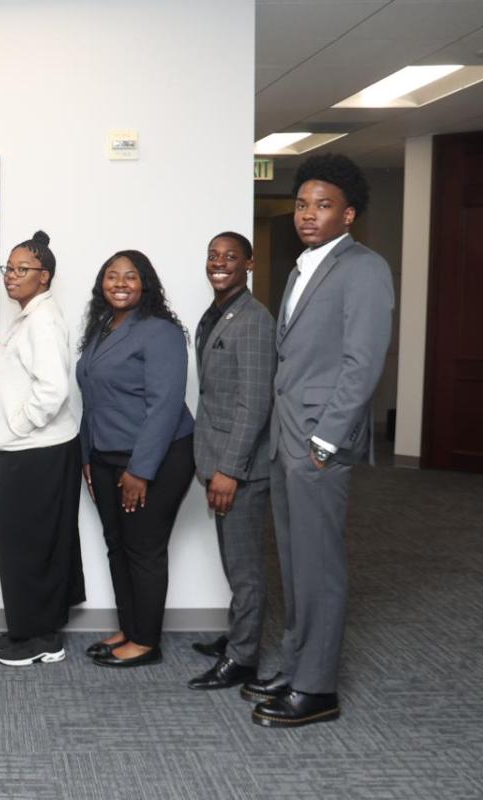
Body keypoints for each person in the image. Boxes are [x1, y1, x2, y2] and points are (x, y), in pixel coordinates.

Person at [244, 154, 394, 728]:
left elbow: (362, 363)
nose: (308, 214)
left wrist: (327, 439)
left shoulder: (364, 268)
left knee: (320, 566)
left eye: (323, 205)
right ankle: (297, 666)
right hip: (287, 439)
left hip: (316, 444)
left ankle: (318, 689)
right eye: (303, 205)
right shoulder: (304, 265)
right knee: (294, 563)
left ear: (348, 214)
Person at [77, 250, 194, 668]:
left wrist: (140, 471)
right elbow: (91, 400)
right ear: (101, 284)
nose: (120, 283)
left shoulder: (160, 331)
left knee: (143, 548)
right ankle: (129, 627)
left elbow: (165, 405)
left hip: (155, 457)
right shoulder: (103, 327)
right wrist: (88, 458)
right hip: (105, 456)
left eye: (130, 276)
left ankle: (145, 641)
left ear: (145, 283)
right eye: (111, 276)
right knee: (117, 545)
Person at [0, 231, 84, 667]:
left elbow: (53, 390)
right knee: (22, 542)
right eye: (8, 268)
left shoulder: (42, 320)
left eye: (22, 269)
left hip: (36, 451)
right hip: (26, 451)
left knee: (30, 544)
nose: (11, 276)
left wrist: (17, 426)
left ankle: (43, 638)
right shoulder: (29, 316)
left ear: (45, 277)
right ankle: (27, 627)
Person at [187, 232, 275, 691]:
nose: (219, 263)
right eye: (213, 256)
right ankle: (237, 638)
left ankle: (243, 658)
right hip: (217, 457)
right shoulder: (218, 312)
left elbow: (254, 403)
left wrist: (229, 469)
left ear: (249, 264)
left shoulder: (254, 320)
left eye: (230, 257)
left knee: (245, 568)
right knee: (232, 560)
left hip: (240, 467)